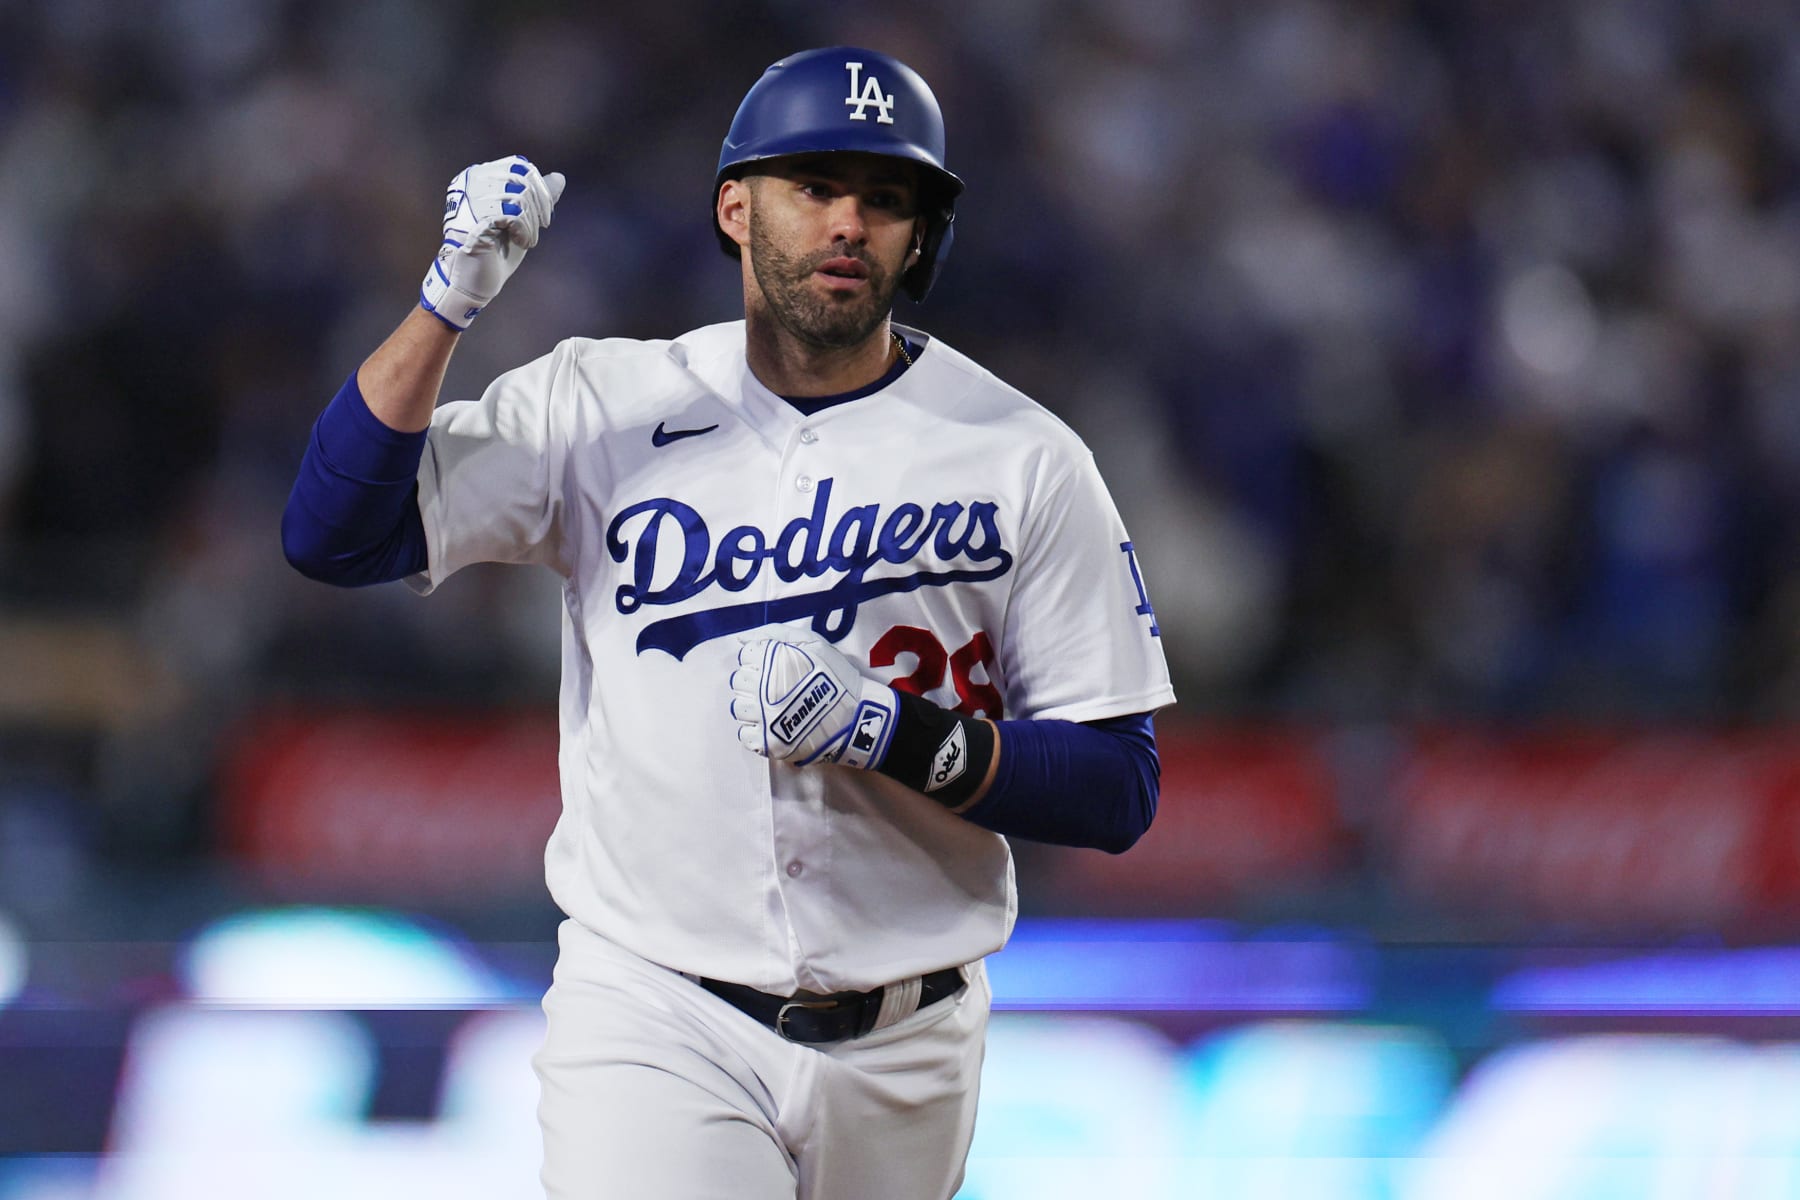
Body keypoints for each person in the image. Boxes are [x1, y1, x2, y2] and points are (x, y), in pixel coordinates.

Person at [282, 46, 1173, 1200]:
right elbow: (333, 532)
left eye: (886, 198)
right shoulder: (600, 403)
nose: (849, 223)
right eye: (816, 187)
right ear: (735, 207)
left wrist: (894, 733)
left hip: (913, 1036)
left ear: (921, 238)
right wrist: (446, 302)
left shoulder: (1024, 457)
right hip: (656, 1006)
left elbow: (1118, 787)